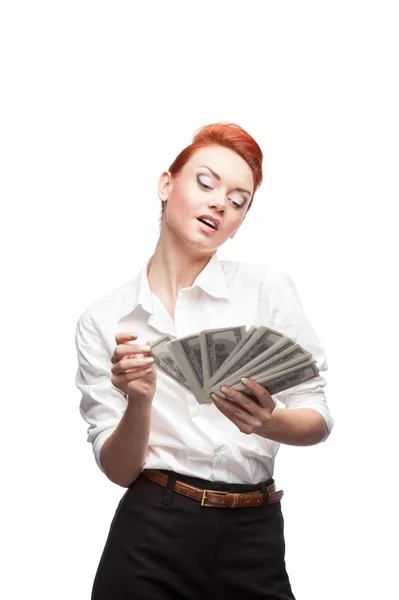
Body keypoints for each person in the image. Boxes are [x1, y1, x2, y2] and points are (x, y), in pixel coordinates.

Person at [75, 122, 334, 600]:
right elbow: (118, 470)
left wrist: (269, 422)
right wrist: (139, 402)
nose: (220, 203)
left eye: (239, 201)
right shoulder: (103, 319)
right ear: (166, 185)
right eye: (206, 182)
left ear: (239, 223)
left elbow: (318, 419)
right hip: (152, 526)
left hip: (253, 531)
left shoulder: (265, 289)